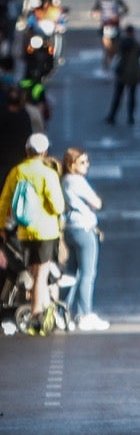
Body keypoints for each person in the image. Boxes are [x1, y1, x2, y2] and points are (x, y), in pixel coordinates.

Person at [2, 133, 65, 334]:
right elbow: (58, 205)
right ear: (44, 152)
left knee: (35, 271)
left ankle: (47, 310)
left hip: (24, 231)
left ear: (27, 150)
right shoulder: (48, 173)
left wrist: (2, 225)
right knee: (42, 273)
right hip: (46, 231)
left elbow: (4, 200)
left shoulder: (17, 171)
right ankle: (38, 314)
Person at [61, 148, 106, 330]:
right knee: (88, 273)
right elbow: (97, 203)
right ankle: (84, 314)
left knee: (71, 273)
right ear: (71, 165)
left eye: (87, 161)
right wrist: (93, 201)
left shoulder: (64, 180)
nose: (87, 165)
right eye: (82, 162)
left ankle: (62, 311)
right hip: (84, 229)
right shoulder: (77, 181)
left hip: (70, 229)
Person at [105, 25, 140, 127]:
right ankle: (130, 117)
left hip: (122, 72)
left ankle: (112, 116)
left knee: (118, 95)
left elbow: (116, 52)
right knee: (132, 96)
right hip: (134, 72)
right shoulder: (136, 43)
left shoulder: (122, 42)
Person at [94, 0, 129, 74]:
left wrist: (118, 15)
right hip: (105, 26)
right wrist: (99, 15)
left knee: (115, 49)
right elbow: (94, 11)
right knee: (107, 49)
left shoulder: (117, 0)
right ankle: (106, 67)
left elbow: (126, 9)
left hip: (115, 26)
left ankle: (111, 64)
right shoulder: (100, 0)